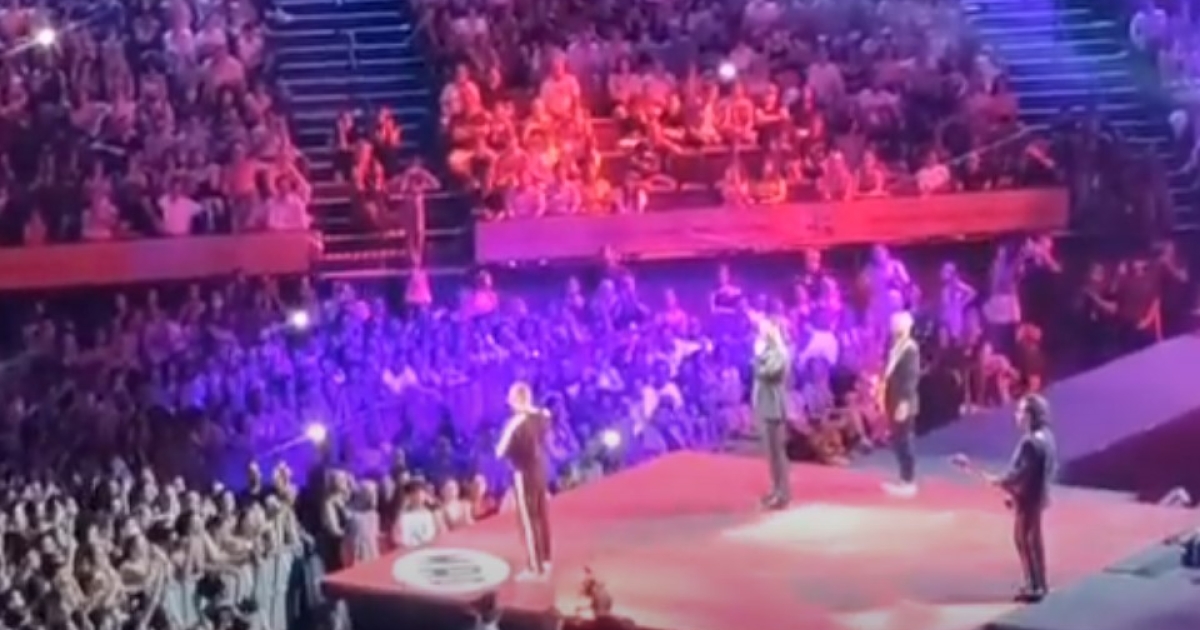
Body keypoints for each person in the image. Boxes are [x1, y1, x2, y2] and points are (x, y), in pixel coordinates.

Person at [983, 393, 1056, 602]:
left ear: (1030, 416)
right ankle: (1039, 583)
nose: (1016, 415)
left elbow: (1019, 473)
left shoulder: (1030, 443)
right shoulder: (1048, 437)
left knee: (1025, 540)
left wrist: (1001, 481)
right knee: (1033, 540)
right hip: (1038, 496)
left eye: (1020, 411)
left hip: (1028, 499)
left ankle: (1035, 585)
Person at [496, 382, 553, 579]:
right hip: (540, 469)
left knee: (529, 519)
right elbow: (545, 419)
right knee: (541, 515)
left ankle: (535, 567)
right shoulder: (543, 417)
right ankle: (546, 559)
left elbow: (500, 451)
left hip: (523, 472)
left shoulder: (515, 423)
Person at [752, 316, 792, 509]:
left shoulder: (780, 352)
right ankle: (775, 488)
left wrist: (758, 357)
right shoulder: (768, 351)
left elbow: (768, 373)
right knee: (770, 453)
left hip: (774, 405)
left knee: (777, 452)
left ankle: (782, 492)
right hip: (764, 404)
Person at [882, 310, 921, 497]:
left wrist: (904, 401)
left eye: (897, 326)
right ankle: (903, 477)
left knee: (904, 440)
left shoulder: (910, 349)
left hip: (903, 401)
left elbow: (910, 378)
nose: (894, 329)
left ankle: (909, 480)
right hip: (893, 399)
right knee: (897, 440)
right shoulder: (895, 348)